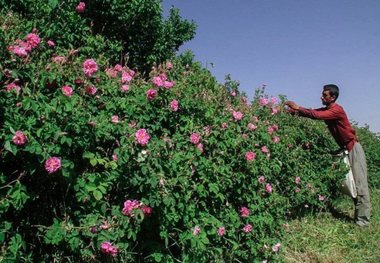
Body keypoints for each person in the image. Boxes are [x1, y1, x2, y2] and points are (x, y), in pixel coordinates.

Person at [285, 84, 370, 227]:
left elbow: (316, 115)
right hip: (346, 149)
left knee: (360, 184)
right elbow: (312, 112)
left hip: (353, 148)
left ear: (333, 97)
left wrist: (297, 107)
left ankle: (363, 221)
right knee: (352, 184)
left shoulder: (336, 110)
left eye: (325, 95)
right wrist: (291, 112)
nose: (321, 97)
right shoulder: (329, 110)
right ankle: (359, 217)